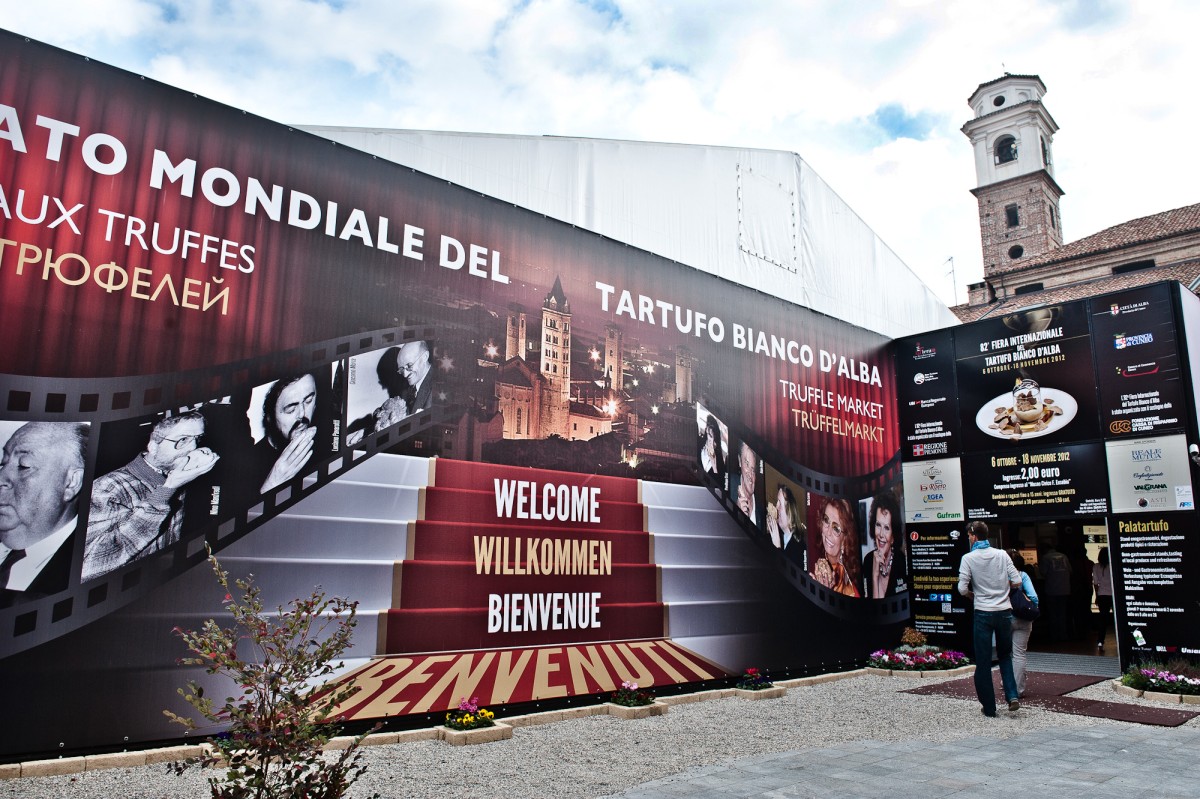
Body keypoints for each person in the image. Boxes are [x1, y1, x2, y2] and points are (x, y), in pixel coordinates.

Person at [83, 413, 217, 581]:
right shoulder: (108, 487)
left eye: (197, 438)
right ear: (153, 446)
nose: (193, 448)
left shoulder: (177, 476)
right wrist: (166, 491)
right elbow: (91, 567)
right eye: (182, 440)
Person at [0, 423, 87, 605]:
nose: (1, 477)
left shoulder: (85, 566)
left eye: (24, 466)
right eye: (3, 462)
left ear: (71, 483)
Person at [958, 521, 1022, 716]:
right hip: (1004, 612)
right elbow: (1018, 581)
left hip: (983, 612)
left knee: (983, 661)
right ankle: (1012, 695)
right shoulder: (1002, 555)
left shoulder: (968, 558)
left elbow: (962, 588)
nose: (969, 539)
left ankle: (989, 707)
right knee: (1005, 656)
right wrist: (1003, 589)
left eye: (969, 536)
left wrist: (973, 595)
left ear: (973, 535)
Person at [251, 373, 320, 494]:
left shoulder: (326, 443)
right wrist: (271, 485)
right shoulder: (247, 463)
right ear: (270, 417)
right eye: (291, 409)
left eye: (308, 401)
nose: (302, 414)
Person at [346, 347, 410, 446]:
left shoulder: (417, 405)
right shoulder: (383, 412)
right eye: (384, 381)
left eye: (387, 380)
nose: (385, 387)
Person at [810, 497, 861, 597]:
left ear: (845, 539)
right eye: (826, 520)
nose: (828, 532)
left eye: (836, 528)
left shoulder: (849, 591)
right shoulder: (813, 559)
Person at [1007, 549, 1039, 698]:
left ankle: (1006, 683)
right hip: (1024, 619)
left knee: (1005, 653)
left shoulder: (1001, 577)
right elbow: (1034, 597)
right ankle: (1018, 690)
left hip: (1005, 617)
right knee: (1019, 654)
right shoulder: (1023, 575)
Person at [863, 491, 906, 598]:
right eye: (878, 525)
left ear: (893, 536)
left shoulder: (901, 562)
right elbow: (872, 611)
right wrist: (875, 576)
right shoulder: (868, 561)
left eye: (887, 528)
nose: (881, 534)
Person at [1038, 542, 1072, 641]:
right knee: (1062, 613)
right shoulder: (1064, 556)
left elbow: (1043, 572)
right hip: (1065, 589)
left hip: (1052, 589)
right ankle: (1063, 635)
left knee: (1053, 613)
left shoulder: (1046, 558)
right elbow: (1070, 570)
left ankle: (1054, 635)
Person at [766, 484, 804, 566]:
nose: (776, 506)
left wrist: (778, 548)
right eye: (777, 502)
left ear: (789, 512)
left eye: (780, 503)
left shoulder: (800, 547)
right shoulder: (779, 536)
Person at [730, 442, 763, 530]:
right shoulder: (729, 485)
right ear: (740, 461)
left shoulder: (762, 510)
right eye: (747, 464)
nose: (750, 474)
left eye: (753, 469)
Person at [397, 340, 435, 414]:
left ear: (425, 357)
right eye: (401, 369)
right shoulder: (404, 391)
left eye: (409, 366)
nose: (405, 374)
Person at [1093, 548, 1114, 653]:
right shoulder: (1113, 565)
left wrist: (1096, 596)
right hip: (1113, 595)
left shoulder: (1096, 566)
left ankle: (1100, 641)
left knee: (1103, 619)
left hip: (1102, 594)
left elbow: (1096, 583)